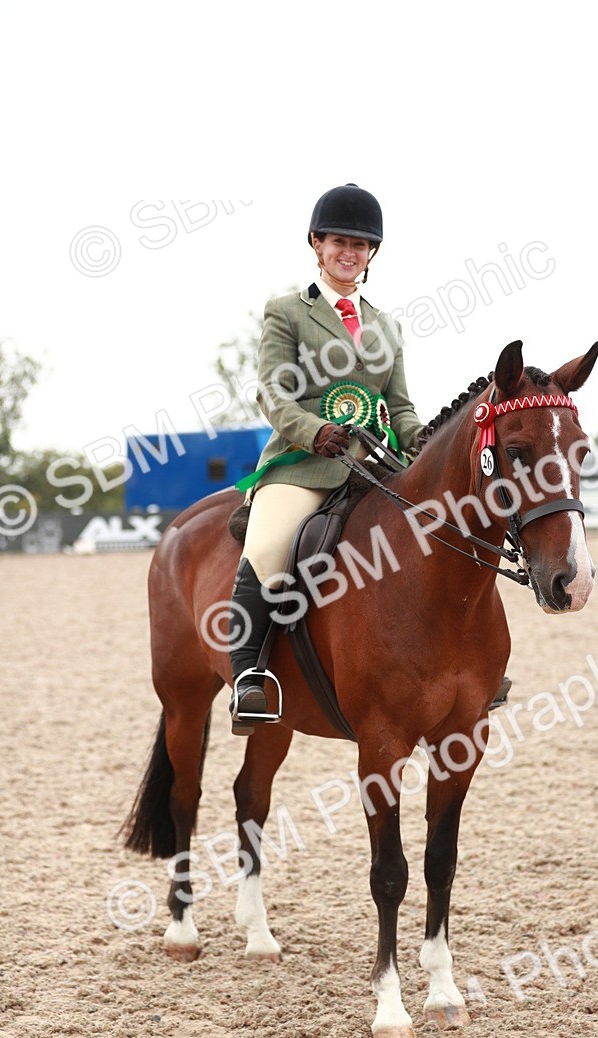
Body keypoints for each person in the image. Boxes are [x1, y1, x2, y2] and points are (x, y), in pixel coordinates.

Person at [228, 183, 424, 728]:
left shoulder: (386, 325)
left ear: (372, 253)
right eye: (340, 240)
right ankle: (249, 676)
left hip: (375, 462)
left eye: (362, 245)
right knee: (268, 547)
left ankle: (460, 657)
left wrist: (421, 440)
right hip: (304, 462)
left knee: (438, 528)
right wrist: (314, 433)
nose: (351, 252)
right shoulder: (288, 312)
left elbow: (400, 406)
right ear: (317, 244)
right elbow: (272, 392)